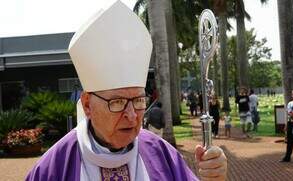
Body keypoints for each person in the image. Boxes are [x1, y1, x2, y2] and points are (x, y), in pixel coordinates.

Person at [26, 1, 227, 180]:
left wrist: (216, 178)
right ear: (87, 104)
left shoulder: (162, 153)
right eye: (118, 102)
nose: (131, 115)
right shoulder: (53, 168)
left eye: (139, 100)